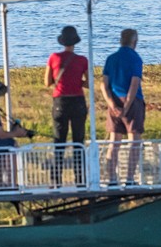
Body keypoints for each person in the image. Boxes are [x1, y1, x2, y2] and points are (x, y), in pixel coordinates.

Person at [100, 27, 146, 184]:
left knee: (114, 141)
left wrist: (112, 104)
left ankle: (112, 178)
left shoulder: (111, 58)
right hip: (132, 102)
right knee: (134, 141)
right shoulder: (135, 59)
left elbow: (103, 85)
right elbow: (134, 84)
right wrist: (126, 107)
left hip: (113, 100)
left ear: (121, 40)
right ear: (135, 42)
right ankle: (129, 178)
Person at [44, 24, 90, 146]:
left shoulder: (53, 57)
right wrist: (77, 81)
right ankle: (80, 164)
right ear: (75, 42)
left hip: (60, 100)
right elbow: (89, 82)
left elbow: (47, 82)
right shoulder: (82, 60)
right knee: (78, 138)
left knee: (59, 138)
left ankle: (58, 163)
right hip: (78, 100)